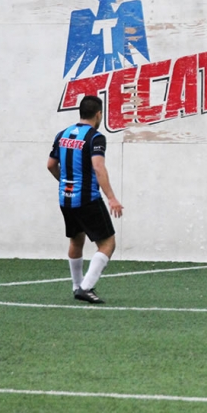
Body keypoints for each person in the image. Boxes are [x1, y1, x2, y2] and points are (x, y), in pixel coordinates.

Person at [47, 95, 123, 304]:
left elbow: (50, 165)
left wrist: (65, 182)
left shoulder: (62, 134)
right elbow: (98, 167)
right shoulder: (95, 138)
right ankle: (86, 287)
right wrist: (112, 198)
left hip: (65, 198)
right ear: (98, 114)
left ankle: (76, 285)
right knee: (107, 243)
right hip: (87, 198)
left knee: (76, 240)